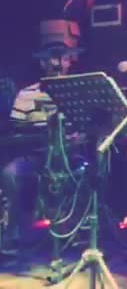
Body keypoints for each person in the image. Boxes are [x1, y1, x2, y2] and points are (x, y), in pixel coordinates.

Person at [1, 20, 82, 252]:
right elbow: (16, 130)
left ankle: (71, 231)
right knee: (10, 174)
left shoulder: (79, 90)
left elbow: (88, 127)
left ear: (69, 61)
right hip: (36, 156)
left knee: (84, 171)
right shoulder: (26, 94)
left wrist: (76, 138)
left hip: (69, 156)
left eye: (62, 59)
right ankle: (15, 234)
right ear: (42, 62)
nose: (57, 64)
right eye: (51, 59)